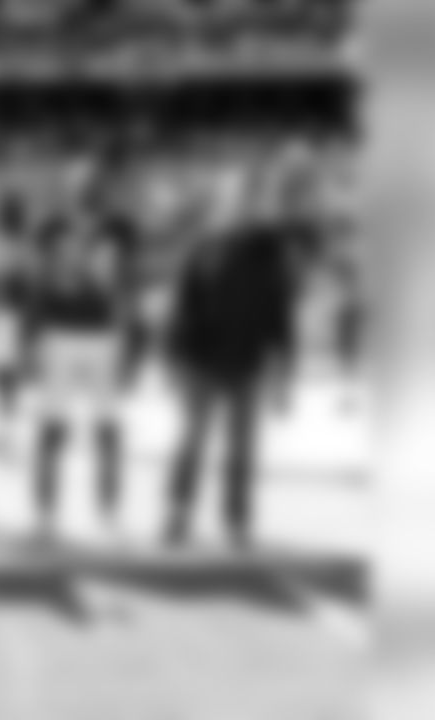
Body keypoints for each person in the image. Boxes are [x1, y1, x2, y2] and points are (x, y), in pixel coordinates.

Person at [163, 182, 302, 550]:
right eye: (235, 203)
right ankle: (178, 511)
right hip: (200, 362)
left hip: (247, 363)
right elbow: (181, 307)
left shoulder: (270, 254)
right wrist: (173, 361)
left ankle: (236, 521)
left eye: (249, 204)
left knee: (242, 449)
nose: (241, 211)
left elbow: (281, 316)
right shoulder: (201, 249)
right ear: (222, 207)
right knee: (192, 441)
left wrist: (285, 374)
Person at [19, 210, 138, 542]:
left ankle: (108, 509)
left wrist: (128, 344)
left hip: (102, 337)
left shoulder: (113, 238)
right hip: (60, 335)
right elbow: (38, 286)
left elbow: (124, 293)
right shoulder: (54, 235)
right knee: (53, 423)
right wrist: (30, 340)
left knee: (107, 424)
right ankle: (46, 511)